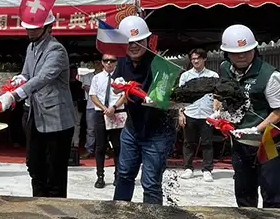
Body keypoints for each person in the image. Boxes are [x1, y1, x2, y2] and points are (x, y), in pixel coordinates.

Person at [0, 11, 75, 198]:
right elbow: (28, 74)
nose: (30, 32)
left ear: (48, 27)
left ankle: (56, 215)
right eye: (28, 28)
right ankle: (39, 204)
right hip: (34, 114)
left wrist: (15, 95)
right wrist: (19, 79)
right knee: (34, 165)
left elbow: (43, 77)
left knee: (54, 171)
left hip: (56, 118)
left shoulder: (56, 50)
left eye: (35, 28)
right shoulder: (31, 47)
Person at [219, 24, 280, 209]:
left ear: (255, 49)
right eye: (236, 53)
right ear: (227, 53)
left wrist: (256, 129)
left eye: (246, 51)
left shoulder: (272, 76)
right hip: (241, 142)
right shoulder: (225, 69)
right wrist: (219, 113)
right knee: (244, 193)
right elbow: (221, 94)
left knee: (272, 193)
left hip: (270, 141)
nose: (241, 56)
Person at [112, 15, 177, 205]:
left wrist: (155, 97)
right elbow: (117, 84)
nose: (134, 46)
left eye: (139, 41)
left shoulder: (160, 65)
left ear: (148, 40)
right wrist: (118, 86)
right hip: (133, 127)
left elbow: (162, 96)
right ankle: (118, 216)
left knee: (150, 183)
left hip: (158, 130)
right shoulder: (122, 61)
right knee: (124, 174)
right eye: (129, 42)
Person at [178, 48, 218, 182]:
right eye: (193, 59)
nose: (195, 61)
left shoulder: (213, 76)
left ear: (204, 59)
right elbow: (180, 97)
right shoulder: (185, 76)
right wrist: (181, 114)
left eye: (198, 58)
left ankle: (207, 169)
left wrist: (216, 114)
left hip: (207, 114)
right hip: (190, 112)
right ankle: (188, 168)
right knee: (188, 142)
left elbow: (218, 96)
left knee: (207, 143)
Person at [88, 54, 126, 188]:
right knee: (100, 146)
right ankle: (100, 176)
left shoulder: (121, 78)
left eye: (112, 61)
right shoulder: (97, 78)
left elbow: (125, 96)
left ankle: (118, 175)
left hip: (117, 112)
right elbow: (93, 95)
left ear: (116, 62)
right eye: (106, 60)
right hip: (101, 113)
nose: (109, 63)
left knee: (118, 146)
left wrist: (113, 107)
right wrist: (105, 108)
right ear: (102, 63)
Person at [79, 62, 99, 159]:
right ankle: (89, 150)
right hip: (91, 106)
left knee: (102, 130)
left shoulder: (107, 76)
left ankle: (101, 150)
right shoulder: (88, 76)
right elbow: (87, 89)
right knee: (90, 129)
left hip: (104, 107)